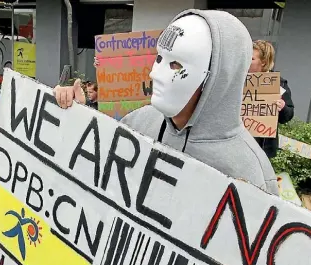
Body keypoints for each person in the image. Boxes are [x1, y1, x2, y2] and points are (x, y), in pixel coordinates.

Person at [55, 10, 278, 195]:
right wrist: (76, 115)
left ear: (219, 76)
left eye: (176, 65)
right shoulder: (139, 122)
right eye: (159, 58)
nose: (155, 74)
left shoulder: (250, 172)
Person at [248, 40, 294, 158]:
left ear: (263, 62)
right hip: (238, 144)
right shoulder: (238, 80)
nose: (247, 61)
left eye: (252, 58)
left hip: (263, 148)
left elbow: (287, 116)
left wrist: (282, 107)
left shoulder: (278, 84)